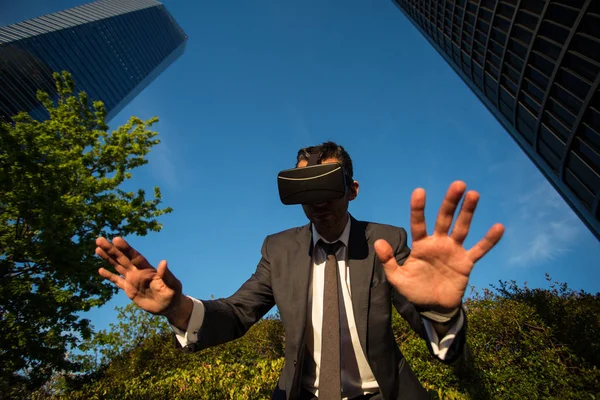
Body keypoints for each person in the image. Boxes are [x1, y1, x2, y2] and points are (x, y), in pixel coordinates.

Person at [96, 141, 504, 400]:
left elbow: (444, 347)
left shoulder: (385, 242)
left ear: (352, 190)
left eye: (326, 184)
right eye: (303, 187)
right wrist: (178, 308)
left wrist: (440, 310)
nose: (316, 199)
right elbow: (239, 312)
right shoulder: (280, 249)